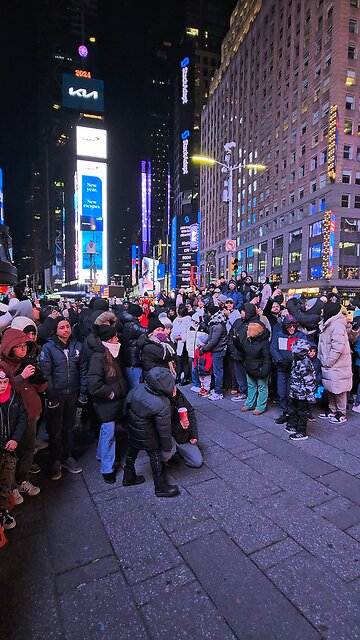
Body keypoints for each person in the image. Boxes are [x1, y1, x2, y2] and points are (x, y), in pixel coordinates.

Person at [0, 328, 47, 501]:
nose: (23, 349)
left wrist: (40, 379)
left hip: (31, 412)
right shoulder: (3, 365)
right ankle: (10, 488)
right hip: (10, 418)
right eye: (18, 346)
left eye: (25, 345)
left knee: (28, 450)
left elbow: (39, 387)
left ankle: (22, 480)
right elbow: (5, 388)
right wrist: (22, 376)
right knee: (10, 455)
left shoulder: (28, 360)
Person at [39, 317, 87, 480]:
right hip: (56, 394)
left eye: (67, 326)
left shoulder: (77, 346)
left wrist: (82, 392)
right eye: (61, 327)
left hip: (72, 393)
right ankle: (55, 460)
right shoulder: (48, 348)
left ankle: (67, 456)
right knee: (55, 429)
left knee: (68, 426)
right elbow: (46, 373)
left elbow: (82, 370)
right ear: (56, 330)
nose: (66, 330)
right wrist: (51, 395)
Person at [123, 368, 180, 498]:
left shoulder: (139, 388)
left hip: (133, 427)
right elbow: (164, 429)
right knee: (155, 457)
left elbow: (126, 404)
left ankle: (128, 476)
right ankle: (160, 487)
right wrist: (167, 447)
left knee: (132, 451)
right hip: (147, 434)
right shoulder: (162, 403)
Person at [87, 325, 127, 484]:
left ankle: (101, 456)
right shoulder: (99, 357)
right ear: (109, 340)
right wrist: (111, 393)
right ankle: (107, 469)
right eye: (115, 337)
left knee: (107, 432)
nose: (118, 339)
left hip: (113, 402)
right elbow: (94, 385)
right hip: (106, 403)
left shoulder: (110, 353)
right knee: (108, 434)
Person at [0, 367, 28, 535]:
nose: (2, 386)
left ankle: (3, 511)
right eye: (0, 383)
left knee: (5, 482)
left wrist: (15, 439)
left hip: (10, 450)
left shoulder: (14, 398)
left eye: (5, 382)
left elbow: (22, 418)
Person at [317, 302, 353, 424]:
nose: (321, 312)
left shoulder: (337, 325)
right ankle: (333, 410)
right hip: (328, 363)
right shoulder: (327, 323)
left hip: (336, 364)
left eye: (323, 310)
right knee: (330, 388)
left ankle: (342, 413)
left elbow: (338, 347)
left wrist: (329, 361)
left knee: (339, 390)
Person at [270, 315, 305, 423]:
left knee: (292, 391)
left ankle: (292, 412)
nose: (292, 328)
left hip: (295, 370)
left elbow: (303, 350)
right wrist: (280, 360)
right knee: (282, 391)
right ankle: (285, 411)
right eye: (289, 326)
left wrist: (293, 361)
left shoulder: (301, 335)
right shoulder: (279, 335)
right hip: (282, 368)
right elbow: (273, 348)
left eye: (294, 326)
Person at [285, 340, 317, 441]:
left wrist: (310, 395)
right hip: (296, 391)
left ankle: (302, 432)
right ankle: (294, 425)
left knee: (302, 411)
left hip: (302, 393)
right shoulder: (297, 360)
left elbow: (309, 381)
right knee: (294, 408)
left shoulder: (305, 363)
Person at [239, 322, 271, 415]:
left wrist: (265, 370)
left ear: (253, 332)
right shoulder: (248, 340)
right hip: (249, 367)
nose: (246, 332)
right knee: (251, 386)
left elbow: (267, 358)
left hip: (260, 368)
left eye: (248, 330)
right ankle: (250, 404)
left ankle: (260, 406)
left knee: (262, 387)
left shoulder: (264, 343)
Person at [198, 305, 227, 401]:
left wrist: (204, 349)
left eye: (208, 312)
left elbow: (214, 340)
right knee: (217, 371)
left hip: (218, 350)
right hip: (217, 350)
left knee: (218, 372)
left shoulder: (218, 325)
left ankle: (218, 392)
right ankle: (217, 390)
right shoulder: (215, 323)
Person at [169, 388, 203, 467]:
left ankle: (179, 450)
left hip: (181, 435)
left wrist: (194, 435)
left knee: (197, 461)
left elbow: (190, 412)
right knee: (166, 456)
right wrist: (179, 426)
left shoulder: (178, 394)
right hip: (166, 437)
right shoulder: (158, 401)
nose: (174, 389)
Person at [121, 303, 148, 389]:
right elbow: (145, 331)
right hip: (133, 360)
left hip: (128, 359)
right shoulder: (132, 324)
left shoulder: (125, 322)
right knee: (136, 386)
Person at [170, 306, 193, 385]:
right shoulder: (176, 320)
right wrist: (174, 337)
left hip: (184, 343)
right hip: (176, 342)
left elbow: (189, 332)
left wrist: (182, 337)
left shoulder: (188, 319)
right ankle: (178, 376)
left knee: (184, 360)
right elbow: (173, 330)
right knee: (178, 360)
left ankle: (186, 377)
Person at [194, 332, 212, 397]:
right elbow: (195, 358)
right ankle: (203, 389)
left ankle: (207, 390)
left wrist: (206, 368)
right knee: (201, 380)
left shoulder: (207, 352)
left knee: (207, 381)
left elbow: (209, 361)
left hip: (205, 370)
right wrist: (195, 366)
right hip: (199, 369)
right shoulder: (197, 350)